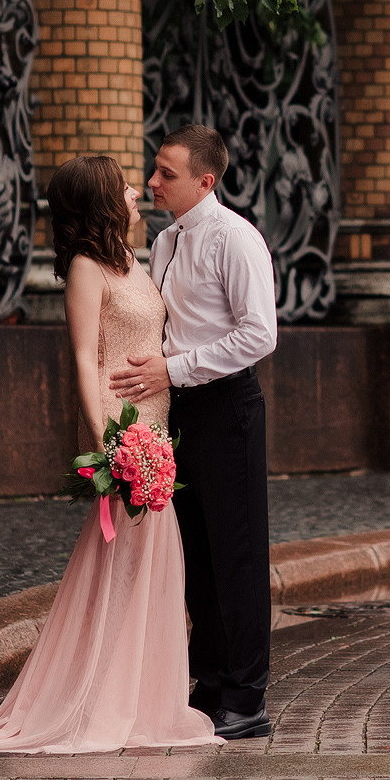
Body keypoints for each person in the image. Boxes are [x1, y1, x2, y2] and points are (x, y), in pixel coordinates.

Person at [0, 154, 221, 754]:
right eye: (125, 186)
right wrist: (107, 439)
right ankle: (100, 699)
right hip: (125, 425)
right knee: (122, 563)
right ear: (102, 200)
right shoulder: (88, 267)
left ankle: (141, 699)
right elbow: (85, 358)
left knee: (150, 566)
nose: (139, 191)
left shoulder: (133, 262)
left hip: (157, 425)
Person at [108, 124, 278, 740]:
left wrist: (172, 370)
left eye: (167, 173)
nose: (152, 182)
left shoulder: (236, 240)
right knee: (196, 554)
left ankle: (246, 697)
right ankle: (208, 684)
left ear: (205, 181)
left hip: (229, 406)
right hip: (179, 410)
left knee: (236, 552)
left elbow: (260, 335)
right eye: (154, 170)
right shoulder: (166, 242)